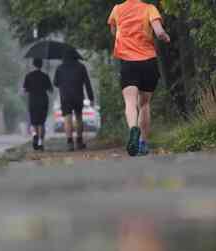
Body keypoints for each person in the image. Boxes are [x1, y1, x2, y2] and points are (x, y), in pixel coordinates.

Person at [108, 0, 171, 156]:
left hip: (128, 62)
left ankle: (133, 130)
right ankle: (142, 143)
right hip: (148, 61)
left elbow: (113, 30)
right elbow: (159, 31)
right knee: (144, 104)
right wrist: (165, 37)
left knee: (130, 102)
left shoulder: (117, 9)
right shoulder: (150, 9)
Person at [53, 50, 95, 151]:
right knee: (78, 117)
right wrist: (91, 98)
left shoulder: (59, 68)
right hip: (78, 96)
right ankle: (79, 141)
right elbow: (87, 83)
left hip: (65, 96)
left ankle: (69, 142)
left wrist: (63, 83)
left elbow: (55, 83)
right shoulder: (81, 67)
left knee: (67, 117)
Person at [23, 58, 53, 151]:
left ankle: (35, 136)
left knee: (34, 123)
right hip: (43, 101)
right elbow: (51, 90)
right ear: (42, 65)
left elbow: (25, 90)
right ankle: (40, 143)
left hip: (33, 101)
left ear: (33, 65)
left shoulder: (28, 76)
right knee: (41, 123)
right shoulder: (45, 76)